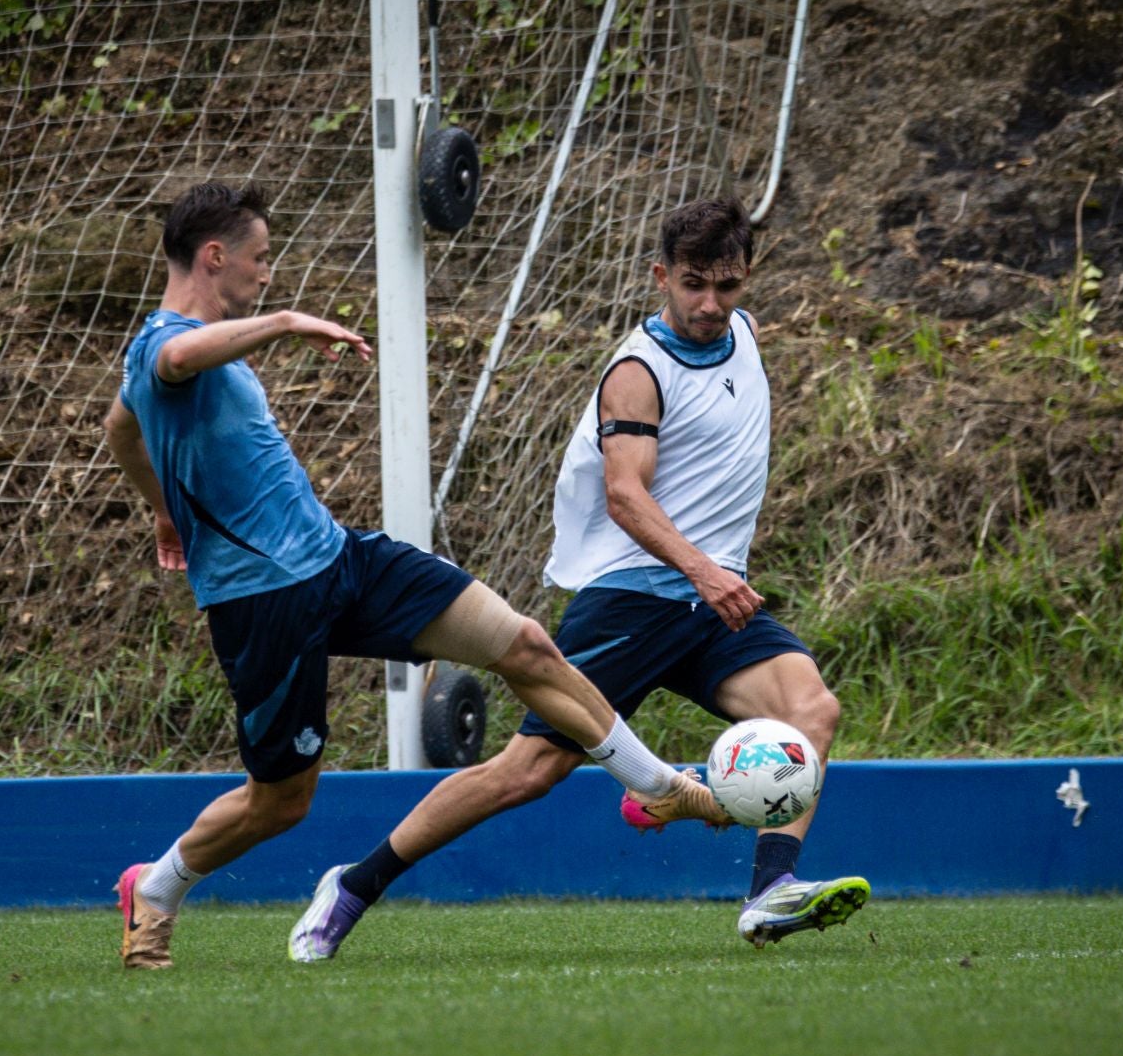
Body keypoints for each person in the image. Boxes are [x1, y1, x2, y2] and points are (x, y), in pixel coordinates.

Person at [100, 182, 728, 970]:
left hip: (342, 560)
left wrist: (165, 509)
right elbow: (173, 359)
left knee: (525, 646)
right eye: (260, 260)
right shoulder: (164, 341)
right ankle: (155, 889)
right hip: (262, 602)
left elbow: (122, 428)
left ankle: (657, 783)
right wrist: (287, 324)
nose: (268, 275)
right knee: (282, 804)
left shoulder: (178, 361)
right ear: (215, 256)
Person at [288, 198, 868, 962]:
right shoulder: (637, 373)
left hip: (709, 603)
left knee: (811, 711)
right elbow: (626, 495)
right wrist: (706, 569)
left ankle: (768, 893)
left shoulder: (745, 335)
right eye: (692, 284)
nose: (709, 303)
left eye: (726, 286)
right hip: (631, 598)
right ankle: (354, 884)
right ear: (660, 275)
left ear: (746, 279)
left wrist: (713, 578)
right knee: (526, 772)